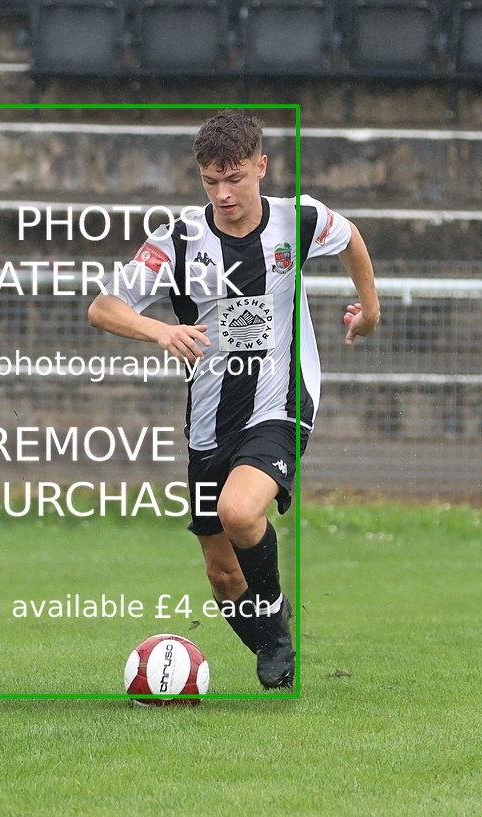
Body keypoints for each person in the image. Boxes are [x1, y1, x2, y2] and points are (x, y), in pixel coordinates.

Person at [88, 110, 380, 689]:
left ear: (261, 168)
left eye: (235, 179)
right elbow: (104, 307)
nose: (223, 194)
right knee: (222, 575)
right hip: (208, 421)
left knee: (241, 510)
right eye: (210, 181)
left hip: (281, 400)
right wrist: (161, 330)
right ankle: (275, 641)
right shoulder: (177, 239)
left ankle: (271, 628)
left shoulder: (298, 220)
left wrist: (369, 309)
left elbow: (350, 239)